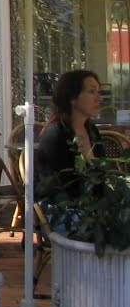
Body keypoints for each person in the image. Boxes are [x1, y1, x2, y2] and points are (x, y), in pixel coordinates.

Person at [34, 69, 105, 231]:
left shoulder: (92, 131)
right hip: (61, 212)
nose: (98, 98)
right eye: (91, 92)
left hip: (92, 209)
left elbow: (102, 175)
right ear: (73, 98)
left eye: (98, 92)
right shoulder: (55, 134)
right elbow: (59, 188)